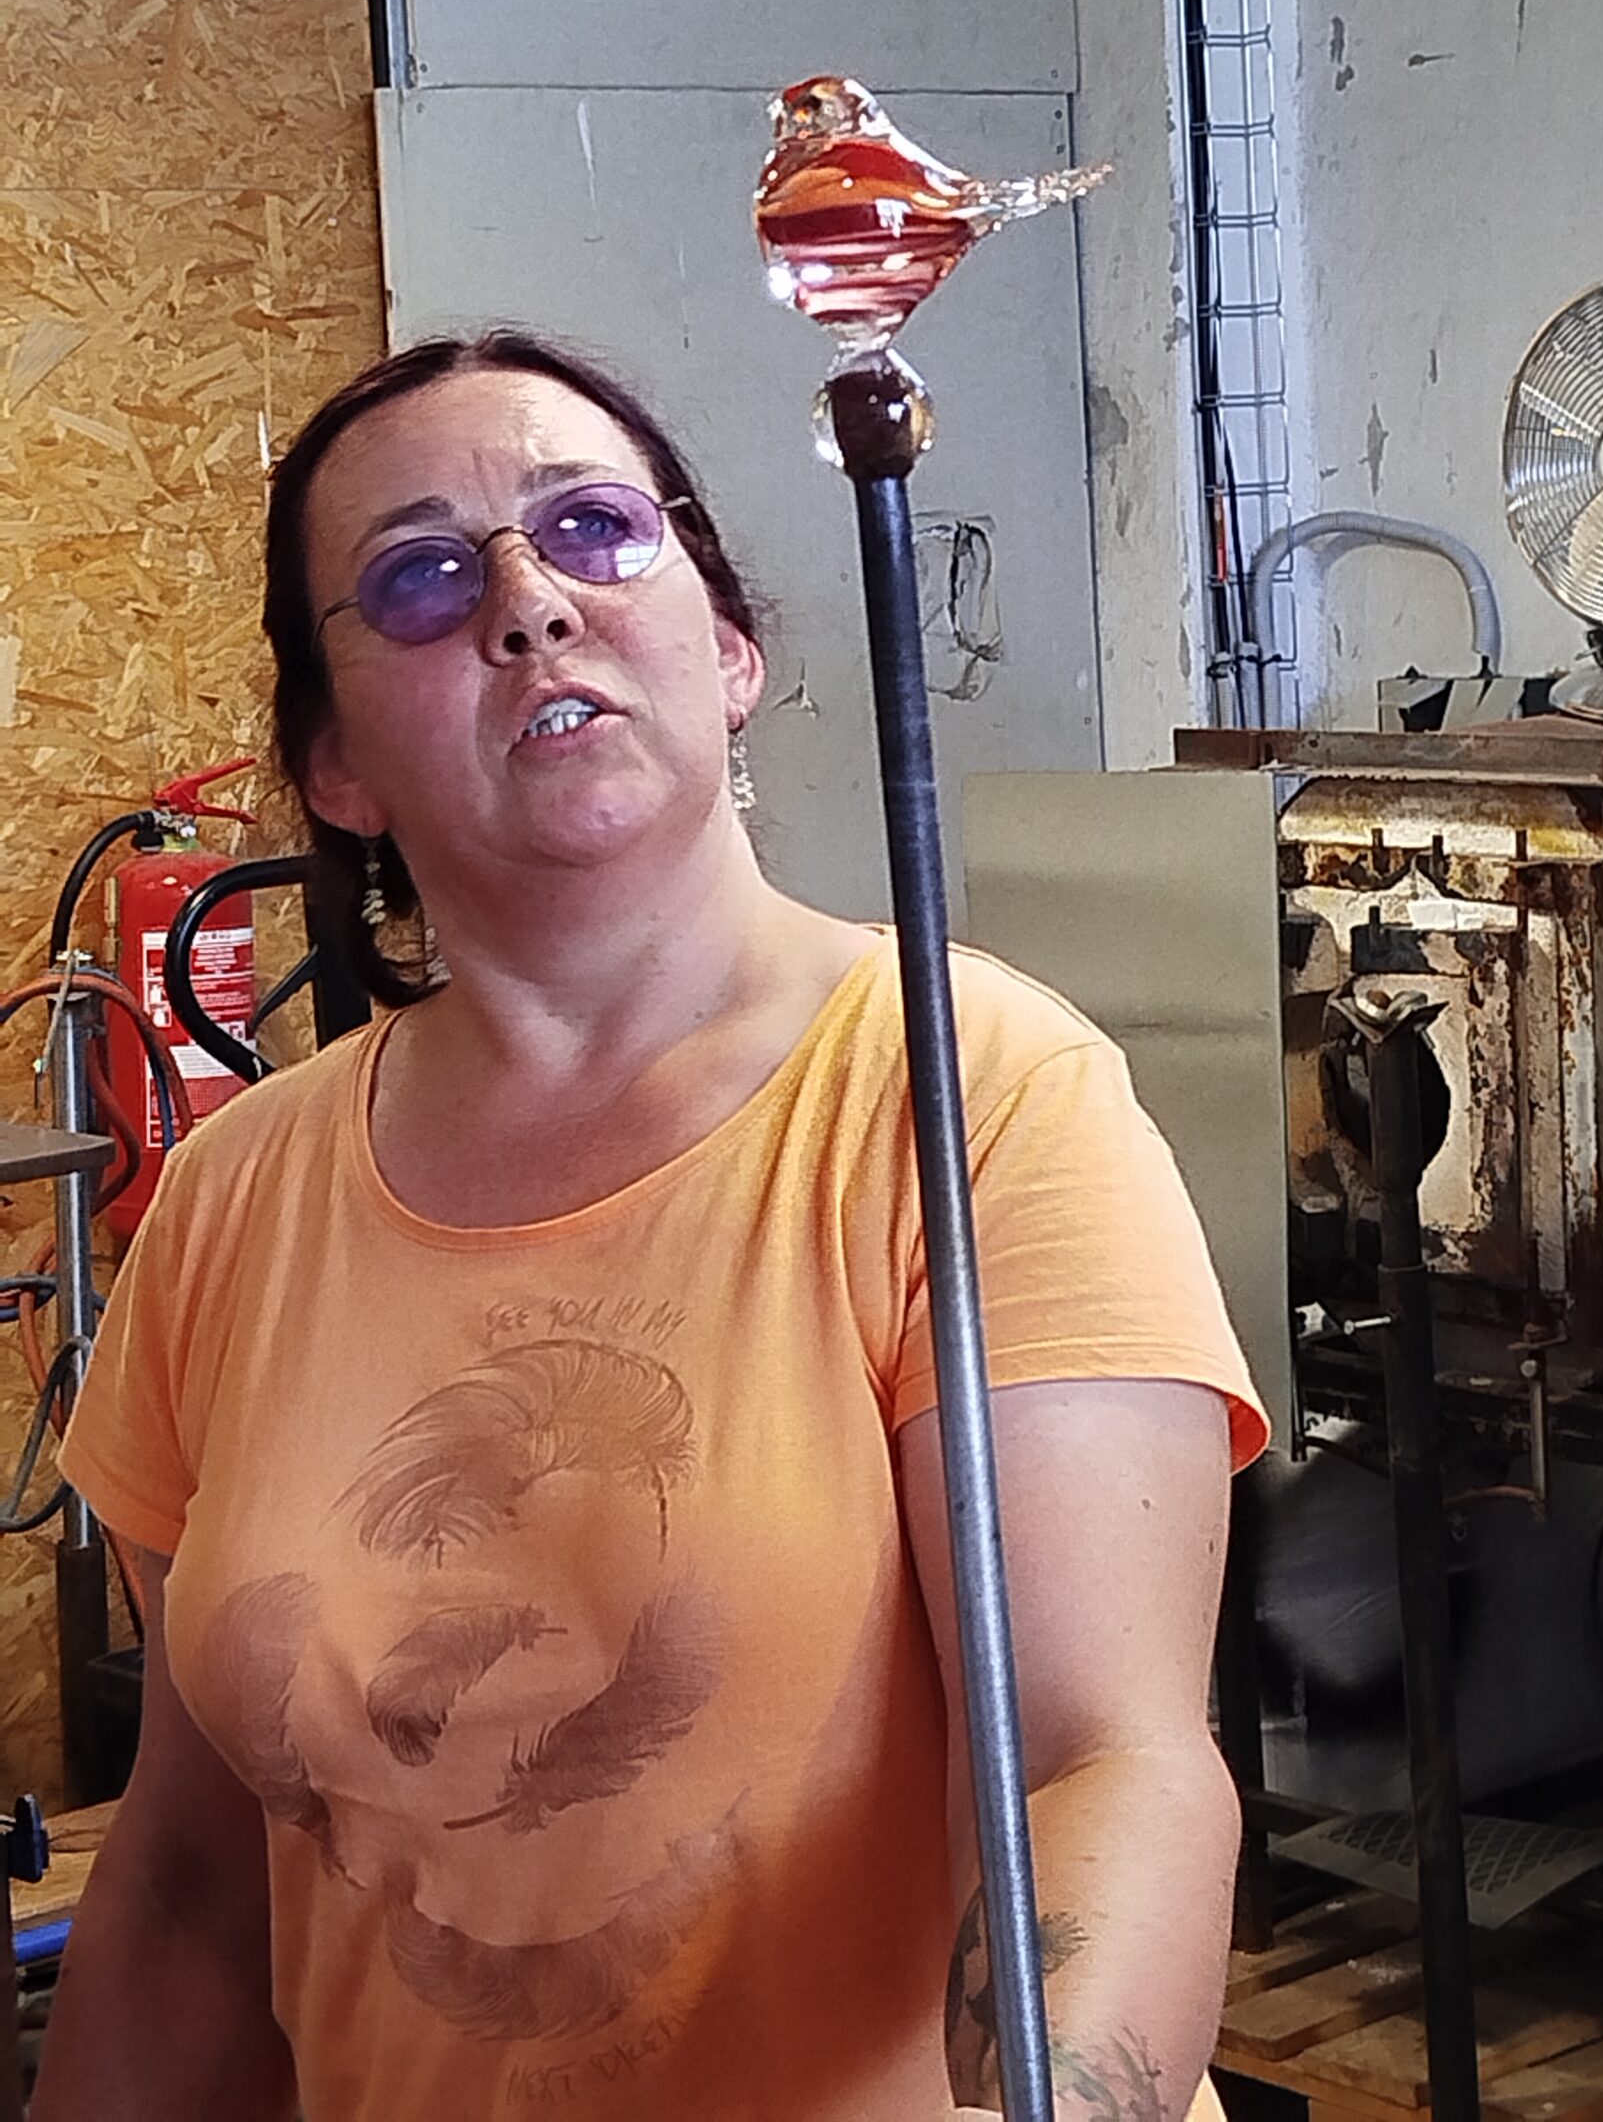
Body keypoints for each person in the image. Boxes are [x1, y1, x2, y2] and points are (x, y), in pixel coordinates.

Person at [40, 332, 1268, 2122]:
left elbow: (1100, 1763)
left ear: (731, 647)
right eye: (423, 575)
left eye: (594, 528)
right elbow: (191, 1888)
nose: (530, 602)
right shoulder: (236, 1203)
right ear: (335, 763)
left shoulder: (974, 1096)